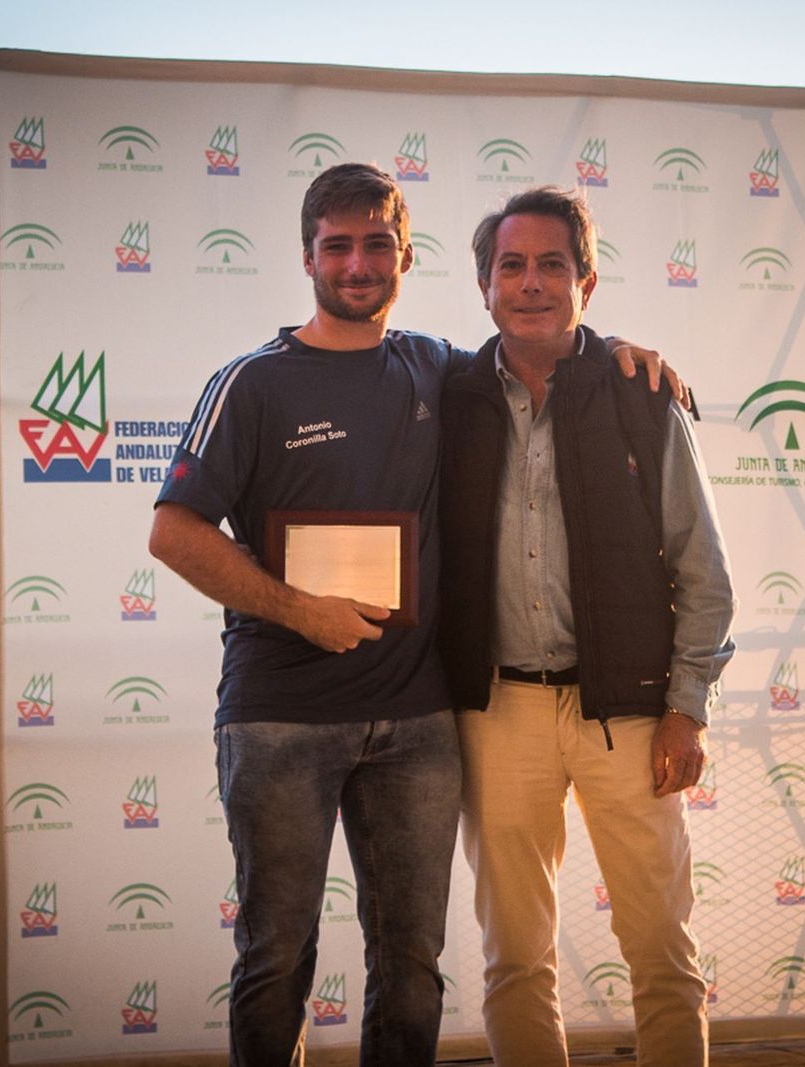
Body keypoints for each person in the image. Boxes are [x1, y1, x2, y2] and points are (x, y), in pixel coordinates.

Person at [148, 163, 673, 1067]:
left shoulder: (438, 368)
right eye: (338, 246)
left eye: (376, 244)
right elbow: (174, 532)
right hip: (281, 718)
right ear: (307, 257)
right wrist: (297, 609)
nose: (358, 263)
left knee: (413, 965)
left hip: (420, 723)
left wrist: (624, 350)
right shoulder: (253, 383)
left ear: (405, 254)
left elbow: (542, 341)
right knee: (276, 959)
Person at [439, 186, 736, 1067]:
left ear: (588, 280)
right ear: (484, 284)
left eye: (553, 265)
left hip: (633, 715)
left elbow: (704, 571)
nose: (532, 283)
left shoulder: (643, 397)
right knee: (515, 960)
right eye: (513, 266)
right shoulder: (446, 395)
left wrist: (686, 707)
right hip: (498, 715)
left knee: (662, 953)